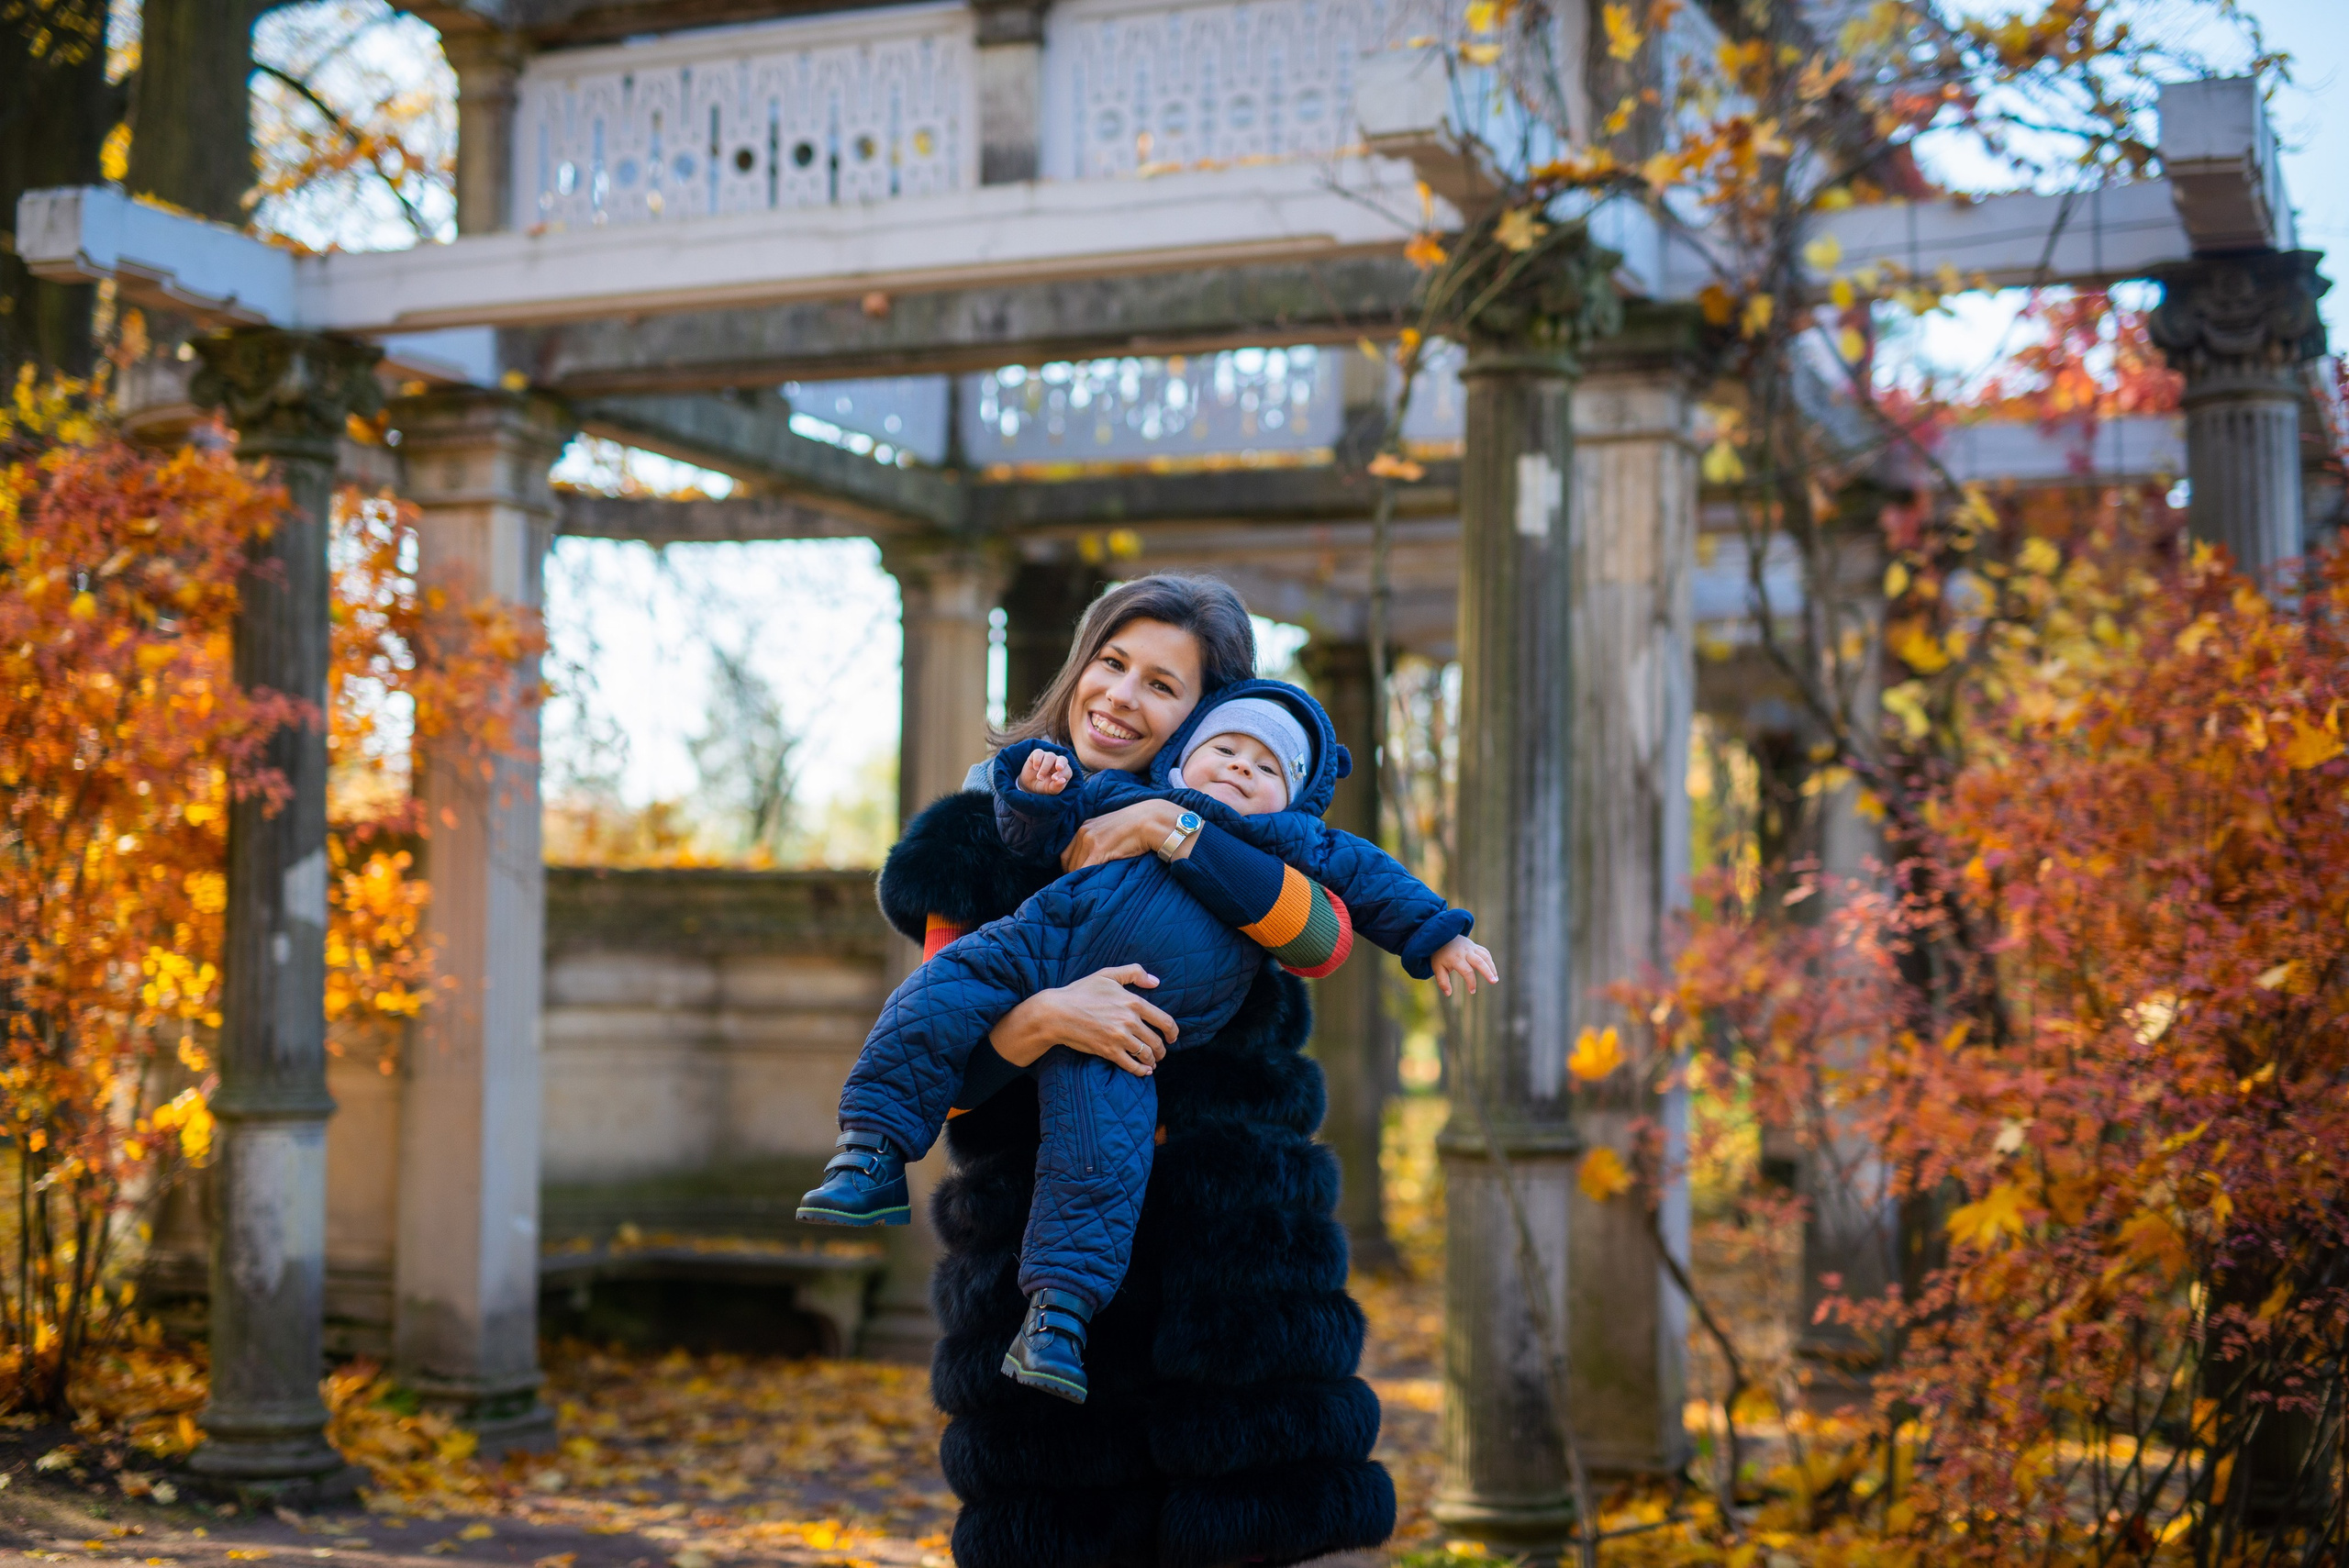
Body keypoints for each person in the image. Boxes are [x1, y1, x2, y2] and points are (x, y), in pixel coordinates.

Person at [876, 574, 1403, 1568]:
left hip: (1237, 1254)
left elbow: (1324, 939)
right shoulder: (979, 831)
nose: (1120, 696)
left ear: (1206, 713)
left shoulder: (1241, 816)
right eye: (1111, 662)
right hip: (1045, 1262)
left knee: (1266, 1534)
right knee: (1064, 1540)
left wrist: (1171, 826)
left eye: (1162, 684)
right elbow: (936, 1072)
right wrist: (1046, 1016)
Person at [799, 681, 1496, 1407]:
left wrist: (1438, 934)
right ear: (1185, 754)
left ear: (1293, 798)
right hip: (1035, 944)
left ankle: (1058, 1317)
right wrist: (1035, 791)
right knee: (931, 996)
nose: (1240, 767)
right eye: (1226, 749)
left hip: (1136, 1018)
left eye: (1267, 767)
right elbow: (1034, 837)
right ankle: (869, 1153)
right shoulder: (1114, 796)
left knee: (1098, 1155)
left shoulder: (1287, 844)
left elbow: (1363, 890)